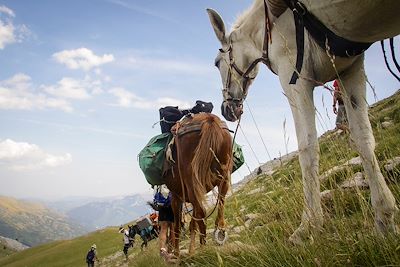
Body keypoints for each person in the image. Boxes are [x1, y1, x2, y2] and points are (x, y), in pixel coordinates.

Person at [154, 185, 176, 262]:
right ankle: (170, 251)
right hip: (172, 201)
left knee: (163, 228)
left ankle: (162, 251)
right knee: (173, 228)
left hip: (162, 202)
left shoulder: (159, 175)